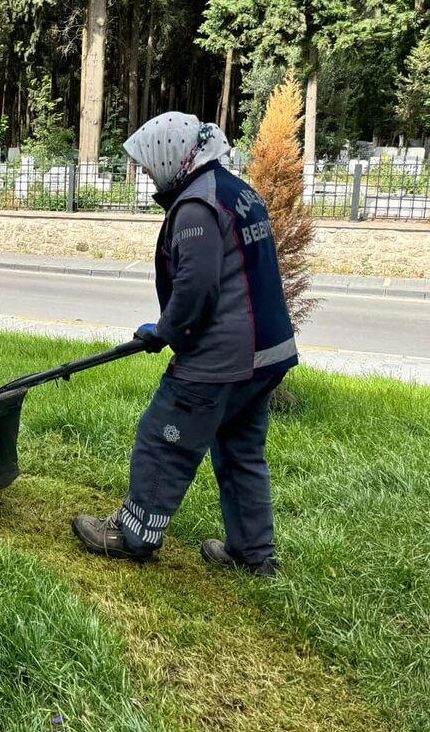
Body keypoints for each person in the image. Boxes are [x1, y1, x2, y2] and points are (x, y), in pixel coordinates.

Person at [72, 112, 297, 578]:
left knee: (162, 438)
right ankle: (253, 555)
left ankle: (133, 535)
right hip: (267, 354)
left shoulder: (196, 205)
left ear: (172, 157)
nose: (149, 176)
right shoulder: (238, 191)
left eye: (150, 166)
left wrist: (166, 331)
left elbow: (196, 289)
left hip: (222, 356)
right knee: (241, 451)